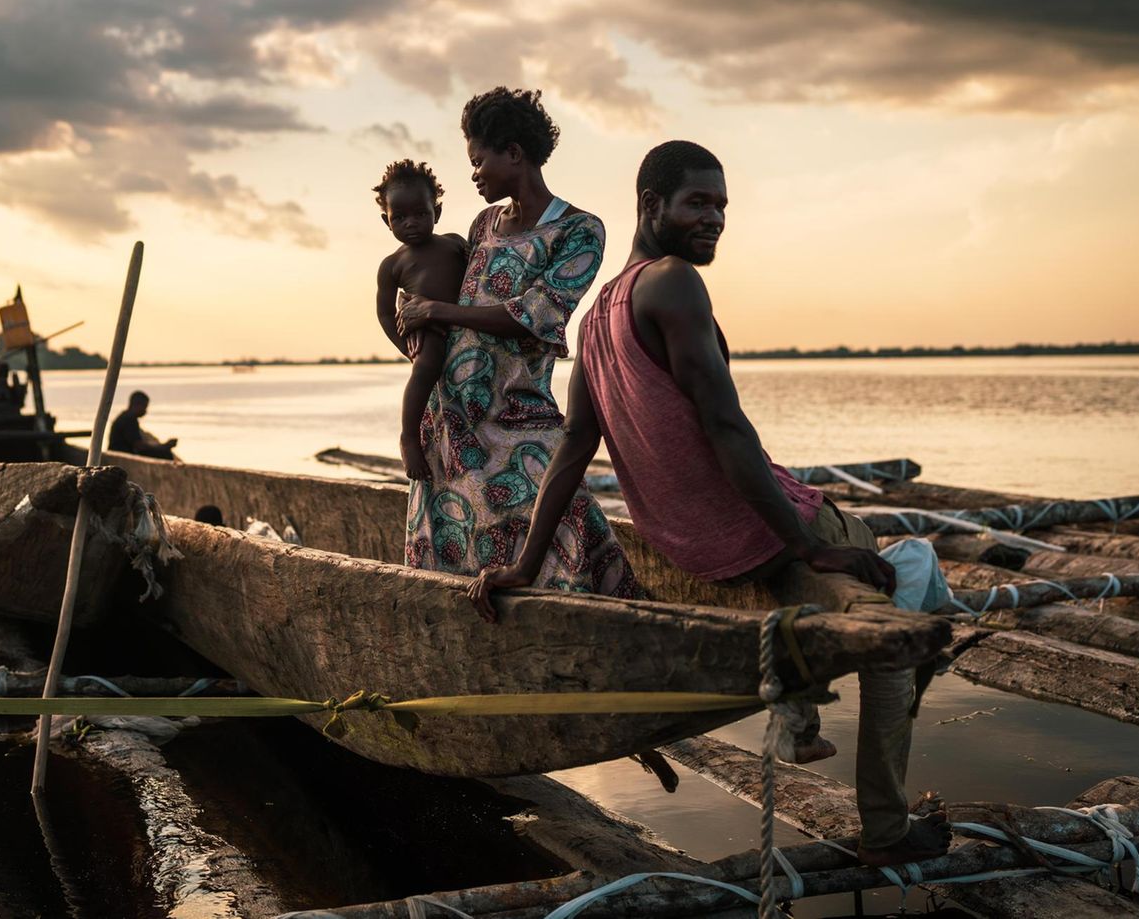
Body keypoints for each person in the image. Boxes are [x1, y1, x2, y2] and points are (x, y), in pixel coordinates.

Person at [466, 140, 950, 867]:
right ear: (650, 205)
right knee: (910, 590)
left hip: (705, 551)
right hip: (771, 527)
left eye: (723, 205)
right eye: (699, 202)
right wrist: (806, 544)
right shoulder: (671, 282)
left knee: (886, 577)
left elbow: (572, 452)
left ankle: (799, 705)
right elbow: (724, 425)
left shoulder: (598, 318)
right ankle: (885, 823)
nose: (715, 218)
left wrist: (523, 564)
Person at [395, 87, 635, 598]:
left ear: (513, 153)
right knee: (454, 549)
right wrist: (417, 328)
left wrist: (437, 310)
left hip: (519, 417)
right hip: (451, 424)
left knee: (569, 516)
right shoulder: (483, 225)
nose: (474, 173)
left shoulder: (579, 231)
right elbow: (440, 317)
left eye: (478, 160)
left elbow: (536, 316)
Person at [373, 160, 469, 479]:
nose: (410, 223)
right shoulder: (392, 265)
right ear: (386, 221)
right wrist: (406, 348)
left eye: (420, 214)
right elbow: (386, 312)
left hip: (466, 324)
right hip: (428, 333)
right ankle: (409, 437)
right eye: (399, 217)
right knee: (426, 367)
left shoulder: (454, 243)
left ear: (436, 213)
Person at [107, 391, 177, 459]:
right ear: (137, 405)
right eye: (144, 407)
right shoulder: (129, 420)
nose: (145, 411)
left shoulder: (125, 416)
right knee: (166, 454)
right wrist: (163, 447)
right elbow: (139, 446)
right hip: (122, 456)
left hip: (119, 454)